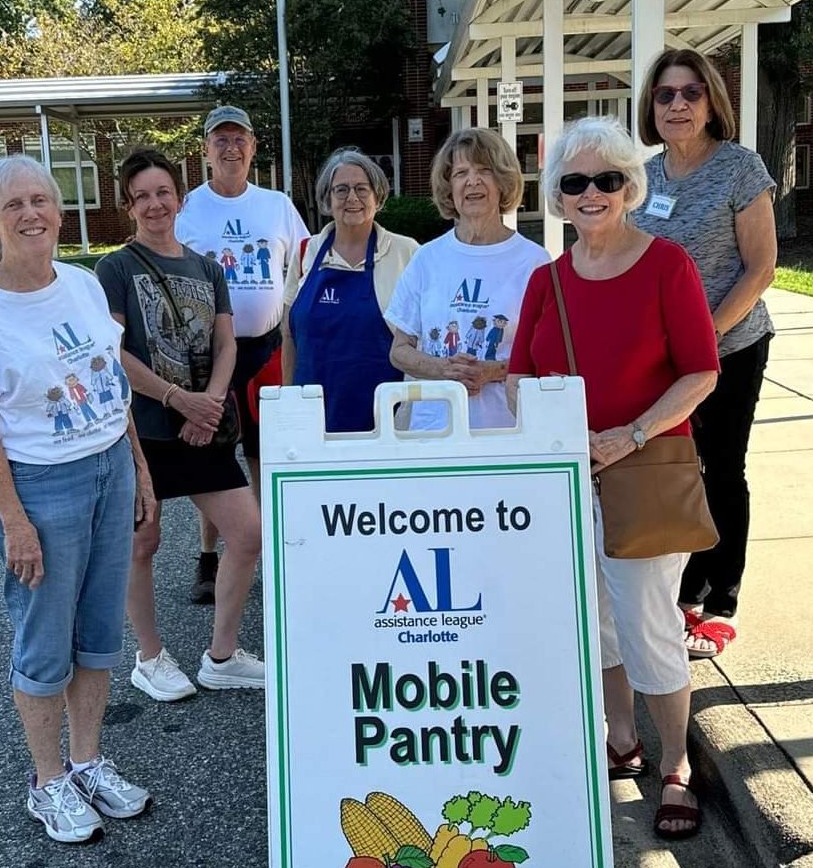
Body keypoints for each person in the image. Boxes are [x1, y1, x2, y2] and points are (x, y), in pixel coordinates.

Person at [507, 117, 720, 839]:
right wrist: (558, 434)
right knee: (594, 619)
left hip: (646, 474)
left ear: (630, 187)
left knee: (649, 622)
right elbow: (519, 379)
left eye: (606, 179)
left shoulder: (668, 266)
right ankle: (621, 737)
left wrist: (629, 434)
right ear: (558, 196)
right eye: (574, 182)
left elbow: (701, 370)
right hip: (568, 481)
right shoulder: (547, 281)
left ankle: (676, 766)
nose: (591, 193)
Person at [0, 155, 155, 844]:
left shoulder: (86, 285)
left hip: (109, 467)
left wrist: (140, 470)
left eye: (42, 199)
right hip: (42, 485)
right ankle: (47, 779)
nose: (31, 214)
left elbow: (109, 385)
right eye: (14, 205)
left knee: (98, 636)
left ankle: (87, 759)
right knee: (43, 642)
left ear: (61, 211)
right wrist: (14, 521)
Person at [95, 148, 263, 702]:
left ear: (180, 199)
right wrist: (177, 399)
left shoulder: (207, 268)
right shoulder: (115, 268)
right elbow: (113, 351)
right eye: (141, 196)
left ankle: (222, 655)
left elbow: (225, 343)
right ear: (128, 206)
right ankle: (149, 657)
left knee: (247, 534)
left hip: (203, 425)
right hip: (145, 433)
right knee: (143, 541)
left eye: (162, 192)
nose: (154, 204)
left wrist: (208, 403)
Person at [631, 48, 777, 659]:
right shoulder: (642, 176)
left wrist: (705, 337)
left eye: (691, 93)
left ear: (712, 101)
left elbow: (761, 268)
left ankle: (717, 600)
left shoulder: (740, 168)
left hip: (732, 344)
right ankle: (682, 588)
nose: (679, 104)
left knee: (721, 468)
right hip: (664, 357)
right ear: (651, 107)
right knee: (676, 470)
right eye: (666, 95)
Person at [176, 105, 308, 602]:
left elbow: (306, 262)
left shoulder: (275, 205)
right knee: (212, 457)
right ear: (206, 149)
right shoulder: (188, 206)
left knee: (264, 456)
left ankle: (265, 551)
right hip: (208, 357)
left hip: (267, 350)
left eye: (240, 139)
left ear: (253, 148)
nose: (231, 148)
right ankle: (209, 560)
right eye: (220, 140)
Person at [384, 127, 547, 430]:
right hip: (434, 433)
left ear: (502, 181)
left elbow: (548, 357)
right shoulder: (426, 259)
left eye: (484, 170)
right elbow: (400, 350)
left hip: (507, 431)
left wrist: (493, 371)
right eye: (460, 173)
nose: (473, 181)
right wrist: (445, 369)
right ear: (449, 187)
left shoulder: (535, 262)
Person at [281, 147, 419, 431]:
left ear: (378, 196)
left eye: (362, 189)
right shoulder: (307, 251)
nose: (352, 198)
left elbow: (423, 339)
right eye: (341, 190)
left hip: (385, 419)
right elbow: (288, 336)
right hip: (313, 416)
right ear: (327, 199)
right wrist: (288, 403)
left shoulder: (407, 252)